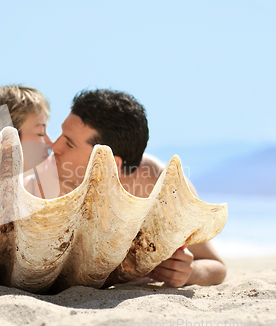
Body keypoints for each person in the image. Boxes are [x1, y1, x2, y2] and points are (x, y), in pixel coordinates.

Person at [50, 88, 226, 287]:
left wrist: (188, 273)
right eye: (61, 134)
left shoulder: (161, 188)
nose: (54, 147)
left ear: (109, 163)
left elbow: (216, 267)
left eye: (69, 143)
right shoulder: (50, 177)